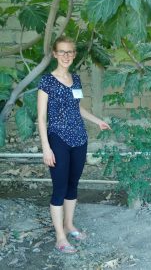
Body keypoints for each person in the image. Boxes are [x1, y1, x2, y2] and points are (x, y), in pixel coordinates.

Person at [37, 36, 111, 253]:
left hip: (79, 139)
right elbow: (41, 118)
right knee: (59, 188)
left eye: (70, 52)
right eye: (62, 52)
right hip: (58, 139)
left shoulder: (76, 79)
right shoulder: (47, 82)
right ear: (55, 54)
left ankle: (69, 225)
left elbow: (77, 108)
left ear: (74, 54)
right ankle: (60, 236)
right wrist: (46, 147)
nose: (66, 56)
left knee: (72, 185)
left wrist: (97, 121)